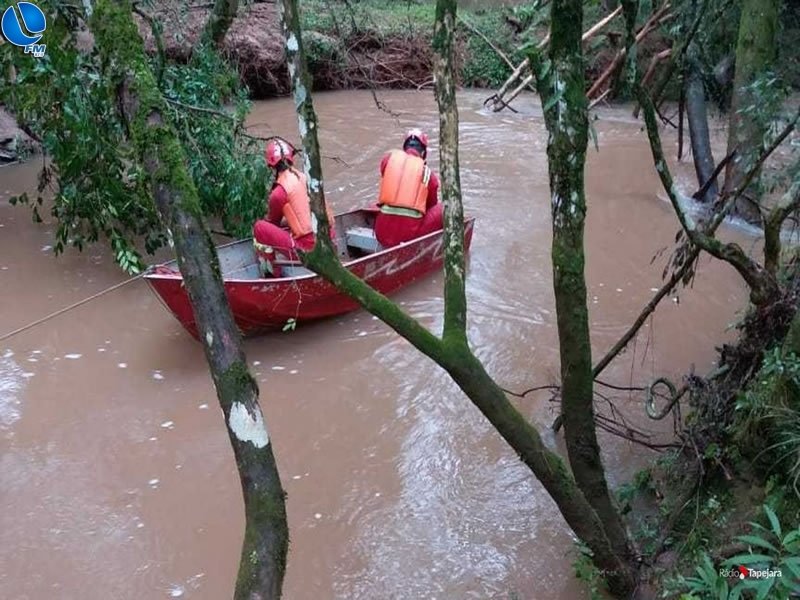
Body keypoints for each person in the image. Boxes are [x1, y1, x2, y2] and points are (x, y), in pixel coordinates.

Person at [252, 139, 335, 276]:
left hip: (309, 250)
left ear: (271, 166)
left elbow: (273, 223)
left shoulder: (278, 193)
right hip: (329, 240)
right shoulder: (307, 178)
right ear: (291, 160)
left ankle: (273, 274)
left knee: (260, 227)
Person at [374, 128, 443, 248]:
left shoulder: (387, 160)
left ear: (404, 148)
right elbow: (431, 205)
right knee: (443, 208)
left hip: (381, 233)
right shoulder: (428, 174)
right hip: (408, 235)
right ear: (423, 153)